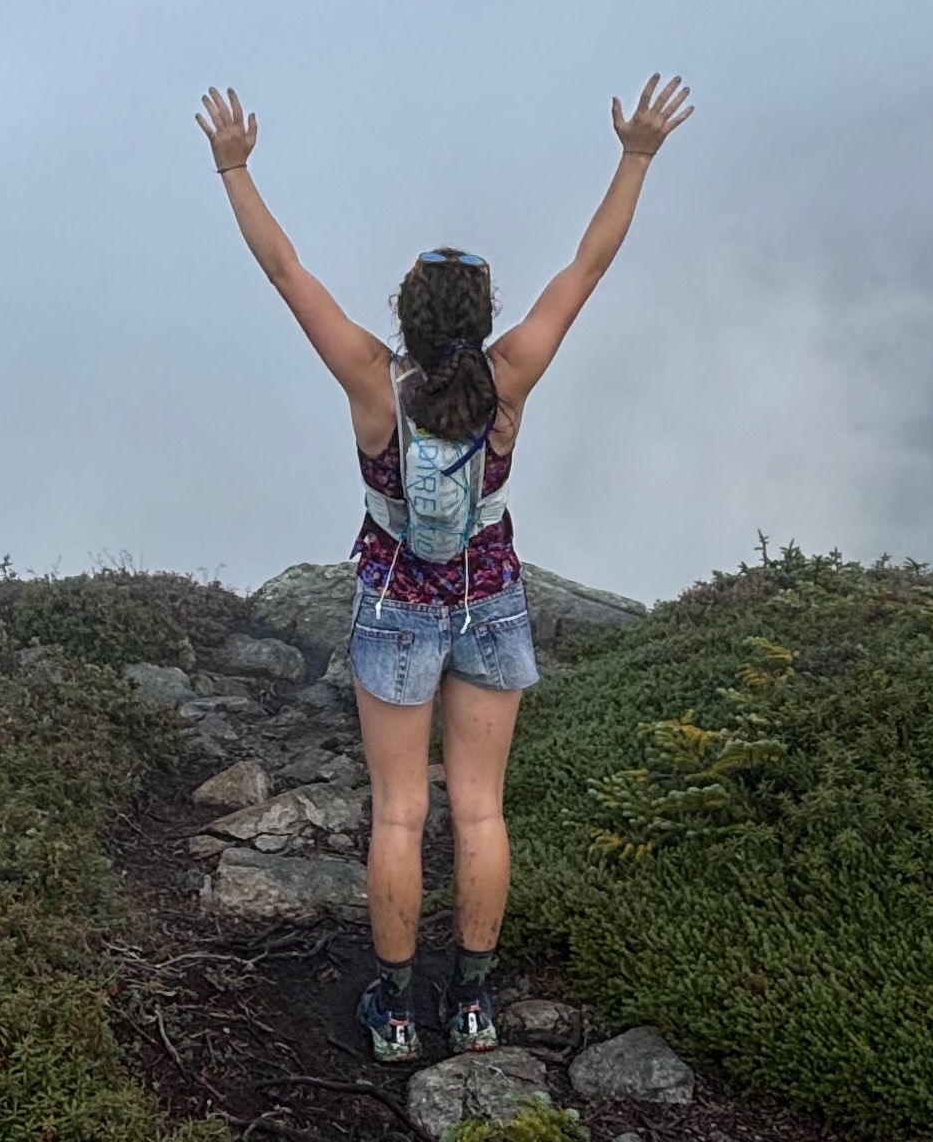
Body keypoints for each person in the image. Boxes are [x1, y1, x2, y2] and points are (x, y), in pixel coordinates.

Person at [195, 74, 695, 1064]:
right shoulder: (512, 375)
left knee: (399, 812)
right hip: (491, 602)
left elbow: (284, 270)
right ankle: (470, 1005)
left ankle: (390, 1010)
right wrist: (635, 154)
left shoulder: (371, 382)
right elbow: (587, 267)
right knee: (479, 811)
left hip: (391, 605)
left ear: (408, 315)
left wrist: (233, 168)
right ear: (481, 316)